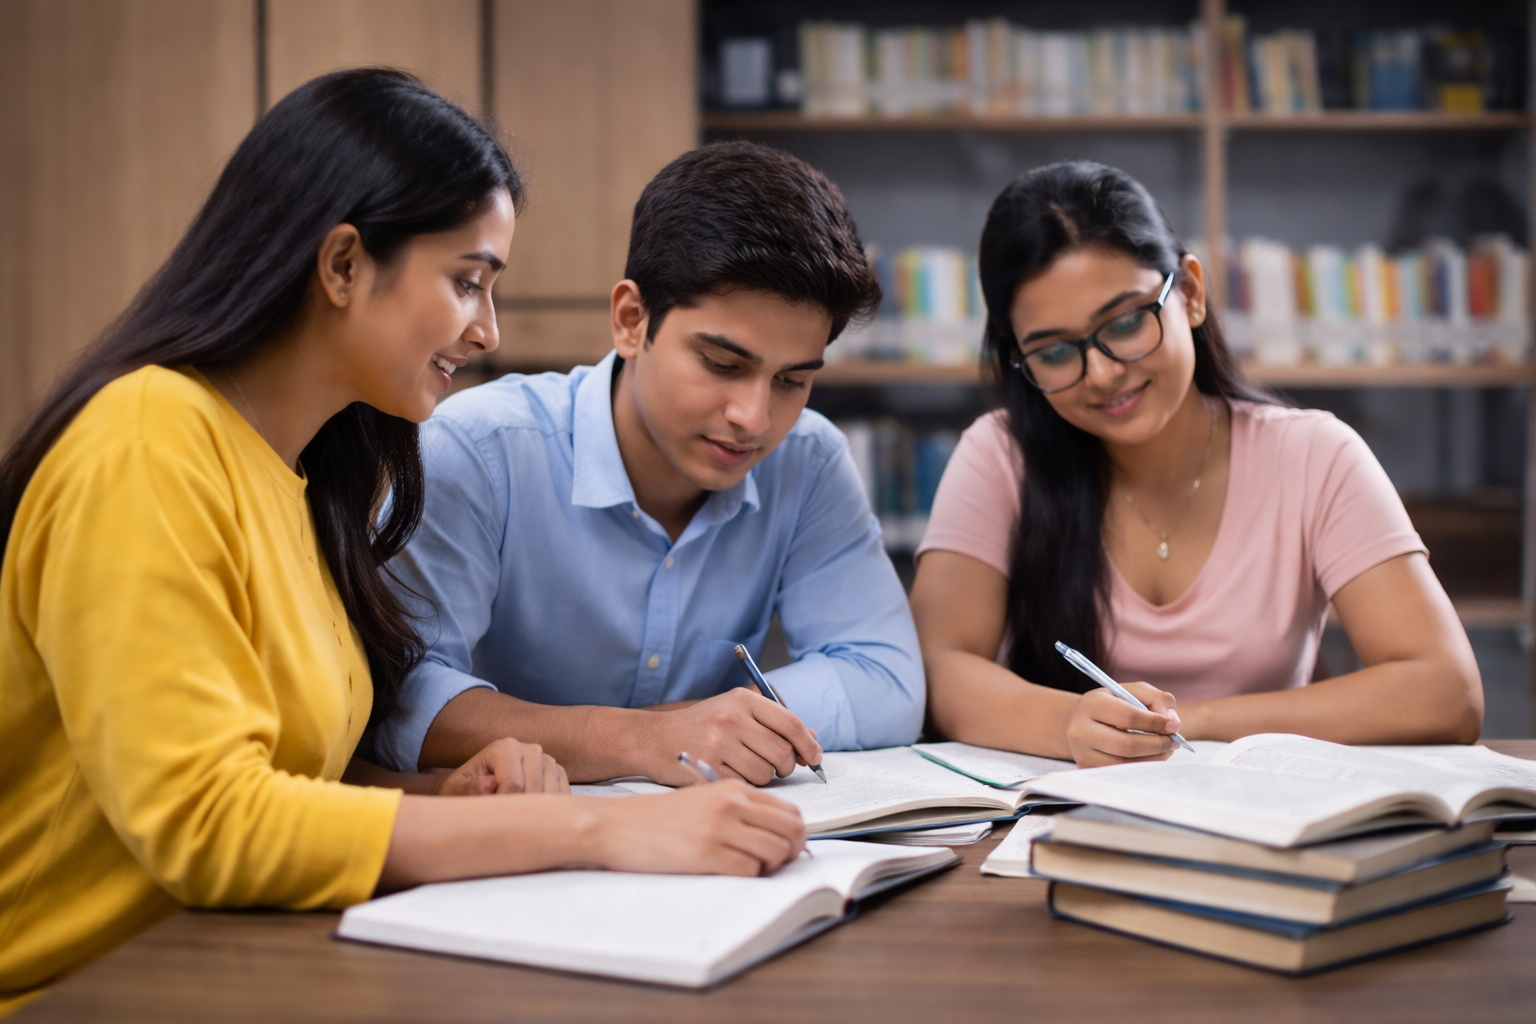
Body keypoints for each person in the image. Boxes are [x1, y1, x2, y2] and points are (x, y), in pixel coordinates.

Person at [0, 70, 804, 1012]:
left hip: (252, 966)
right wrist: (597, 830)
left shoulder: (306, 474)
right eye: (468, 281)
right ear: (343, 265)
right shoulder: (148, 442)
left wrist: (450, 802)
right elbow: (210, 825)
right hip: (85, 989)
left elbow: (299, 786)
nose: (488, 329)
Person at [371, 141, 924, 786]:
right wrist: (643, 738)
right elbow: (399, 697)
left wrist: (697, 725)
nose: (755, 417)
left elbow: (885, 679)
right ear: (632, 320)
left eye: (792, 381)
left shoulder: (809, 460)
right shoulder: (477, 450)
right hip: (520, 847)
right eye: (723, 365)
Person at [910, 160, 1483, 768]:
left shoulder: (1316, 456)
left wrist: (1185, 725)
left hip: (1270, 812)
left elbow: (1446, 692)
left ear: (1189, 292)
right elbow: (937, 667)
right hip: (1071, 815)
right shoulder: (1000, 456)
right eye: (1054, 351)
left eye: (1126, 321)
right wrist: (1068, 722)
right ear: (1017, 359)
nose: (1103, 373)